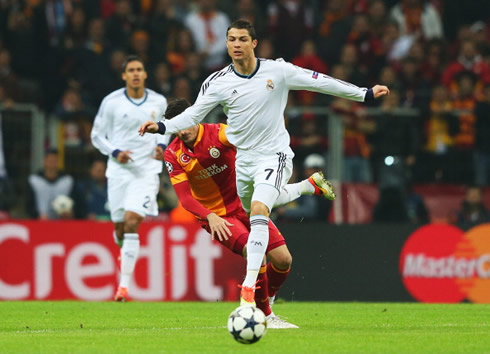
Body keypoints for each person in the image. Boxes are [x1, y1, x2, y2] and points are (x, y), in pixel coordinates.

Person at [139, 19, 388, 307]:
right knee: (269, 231)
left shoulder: (278, 71)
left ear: (253, 43)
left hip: (275, 154)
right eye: (231, 39)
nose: (236, 45)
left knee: (258, 209)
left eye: (242, 39)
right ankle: (307, 187)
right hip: (244, 162)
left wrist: (363, 93)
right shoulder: (218, 83)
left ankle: (248, 292)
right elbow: (193, 114)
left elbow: (319, 81)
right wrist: (161, 127)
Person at [162, 98, 329, 328]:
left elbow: (252, 144)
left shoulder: (220, 134)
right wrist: (210, 216)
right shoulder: (173, 154)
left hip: (247, 206)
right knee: (254, 252)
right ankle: (266, 315)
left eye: (186, 122)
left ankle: (265, 304)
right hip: (218, 217)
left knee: (283, 260)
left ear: (195, 117)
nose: (183, 131)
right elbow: (185, 199)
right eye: (176, 127)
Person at [90, 55, 168, 302]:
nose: (135, 74)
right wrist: (115, 152)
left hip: (146, 171)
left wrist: (162, 147)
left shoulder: (159, 101)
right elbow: (96, 136)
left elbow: (166, 129)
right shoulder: (111, 102)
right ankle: (121, 242)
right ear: (124, 75)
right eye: (131, 70)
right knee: (121, 226)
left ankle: (123, 287)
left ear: (145, 74)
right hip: (118, 171)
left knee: (133, 221)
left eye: (139, 70)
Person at [26, 149, 76, 220]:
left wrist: (71, 212)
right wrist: (37, 216)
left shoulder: (67, 181)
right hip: (40, 223)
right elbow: (29, 205)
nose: (52, 164)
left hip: (63, 223)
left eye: (54, 161)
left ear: (58, 162)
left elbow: (76, 202)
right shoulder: (34, 180)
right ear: (44, 162)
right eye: (50, 161)